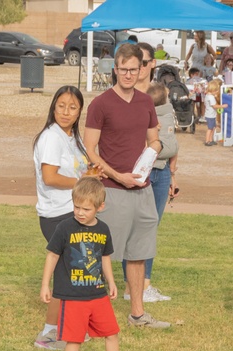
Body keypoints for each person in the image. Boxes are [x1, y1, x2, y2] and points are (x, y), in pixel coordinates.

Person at [84, 42, 169, 329]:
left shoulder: (146, 102)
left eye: (134, 69)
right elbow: (90, 150)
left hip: (142, 191)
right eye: (124, 69)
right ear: (115, 69)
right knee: (102, 256)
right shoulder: (101, 104)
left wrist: (152, 151)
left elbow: (154, 139)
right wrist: (118, 176)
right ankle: (89, 317)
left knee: (139, 254)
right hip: (112, 191)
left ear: (142, 69)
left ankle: (137, 315)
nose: (129, 75)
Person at [41, 177, 142, 351]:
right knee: (74, 339)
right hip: (73, 296)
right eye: (76, 207)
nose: (80, 212)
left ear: (100, 207)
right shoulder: (64, 228)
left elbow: (105, 257)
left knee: (111, 332)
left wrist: (111, 282)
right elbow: (52, 256)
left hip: (98, 294)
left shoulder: (103, 229)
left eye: (86, 209)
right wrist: (45, 285)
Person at [32, 85, 94, 350]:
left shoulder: (71, 137)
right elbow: (50, 177)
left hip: (71, 211)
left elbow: (80, 169)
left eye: (72, 107)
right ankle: (49, 334)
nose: (66, 112)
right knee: (65, 273)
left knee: (75, 270)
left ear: (80, 111)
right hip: (56, 215)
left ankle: (70, 326)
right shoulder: (51, 137)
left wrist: (92, 173)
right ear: (53, 107)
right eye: (61, 106)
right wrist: (83, 180)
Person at [124, 82, 177, 304]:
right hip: (144, 173)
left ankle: (144, 283)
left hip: (162, 172)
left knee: (151, 228)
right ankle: (132, 285)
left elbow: (173, 144)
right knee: (138, 228)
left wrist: (172, 174)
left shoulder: (166, 115)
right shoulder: (139, 109)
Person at [204, 79, 225, 146]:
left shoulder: (208, 96)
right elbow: (214, 106)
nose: (217, 92)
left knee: (212, 128)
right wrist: (222, 106)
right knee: (210, 128)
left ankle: (210, 140)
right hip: (210, 115)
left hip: (211, 114)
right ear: (213, 90)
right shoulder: (211, 97)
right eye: (216, 91)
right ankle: (207, 141)